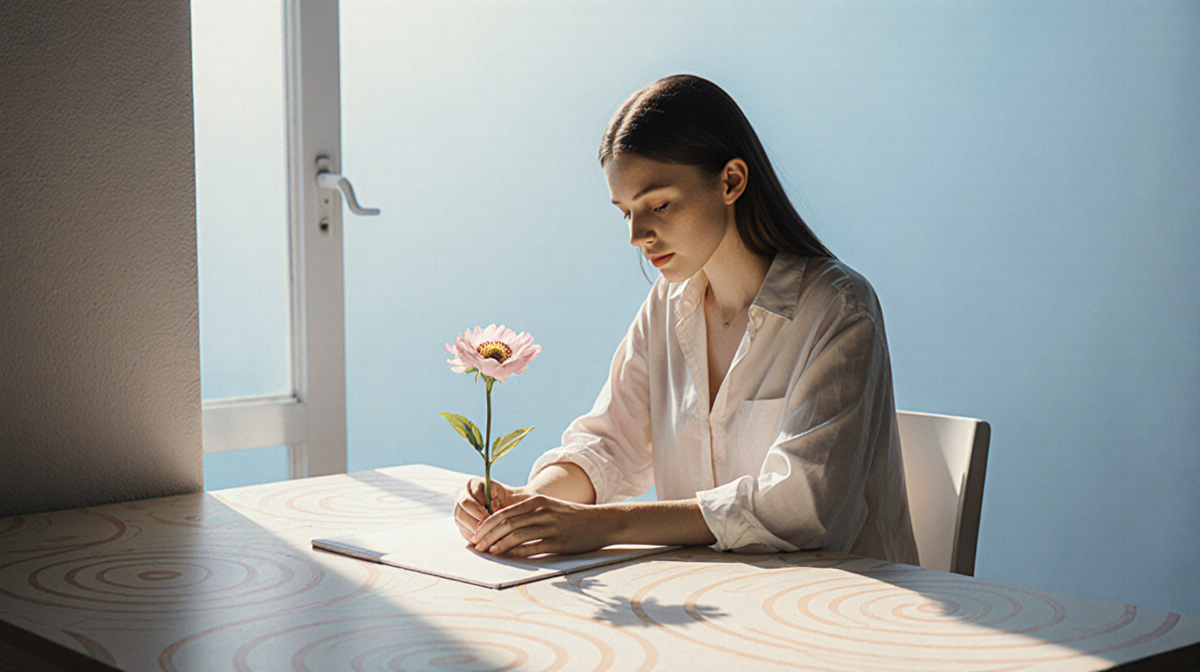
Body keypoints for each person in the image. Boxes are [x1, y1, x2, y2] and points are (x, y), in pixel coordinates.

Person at [454, 74, 920, 565]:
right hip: (716, 605)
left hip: (842, 615)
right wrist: (528, 502)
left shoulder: (839, 308)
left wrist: (603, 526)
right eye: (625, 212)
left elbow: (803, 507)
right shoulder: (668, 304)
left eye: (657, 204)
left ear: (731, 181)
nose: (637, 235)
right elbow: (608, 445)